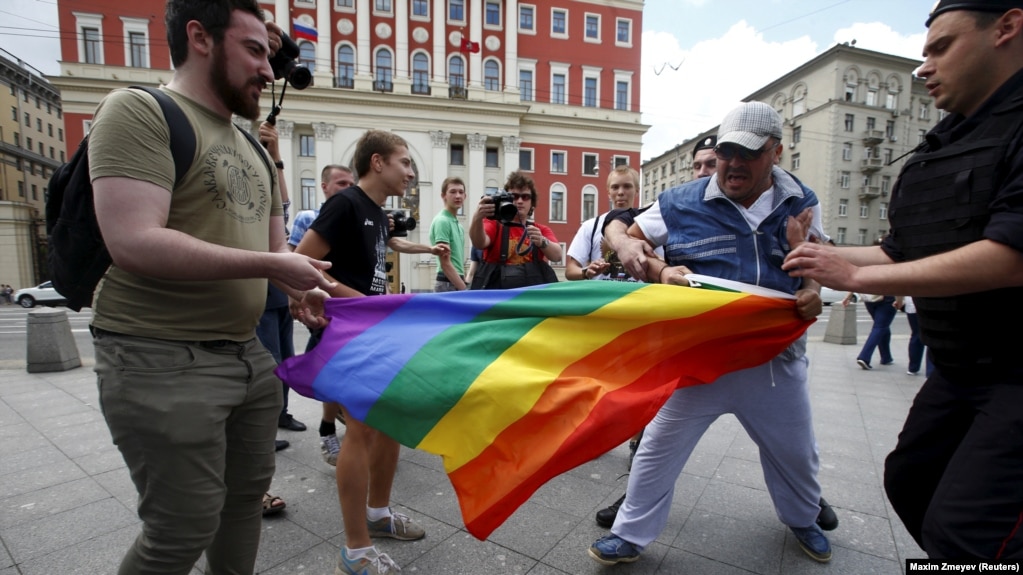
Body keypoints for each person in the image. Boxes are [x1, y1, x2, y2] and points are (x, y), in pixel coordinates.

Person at [86, 2, 334, 572]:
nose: (269, 72)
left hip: (248, 355)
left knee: (243, 506)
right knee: (181, 526)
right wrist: (274, 266)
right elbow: (134, 242)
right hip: (158, 354)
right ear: (200, 37)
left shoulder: (252, 146)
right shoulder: (140, 110)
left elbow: (274, 255)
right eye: (253, 50)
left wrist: (300, 289)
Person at [782, 0, 1023, 558]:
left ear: (1007, 28)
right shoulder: (948, 141)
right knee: (911, 484)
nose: (924, 68)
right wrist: (825, 253)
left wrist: (851, 276)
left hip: (1015, 372)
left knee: (966, 535)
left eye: (942, 47)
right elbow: (899, 250)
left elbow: (1010, 256)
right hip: (959, 368)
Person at [589, 102, 833, 566]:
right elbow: (621, 236)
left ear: (776, 152)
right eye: (725, 152)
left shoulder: (801, 199)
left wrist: (813, 290)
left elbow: (813, 263)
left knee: (796, 453)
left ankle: (803, 518)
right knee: (657, 449)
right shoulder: (681, 201)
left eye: (747, 153)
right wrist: (655, 266)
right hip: (703, 360)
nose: (733, 164)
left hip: (773, 360)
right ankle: (629, 534)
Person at [291, 129, 447, 575]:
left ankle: (378, 516)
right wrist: (359, 302)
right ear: (377, 162)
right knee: (360, 431)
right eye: (404, 163)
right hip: (348, 333)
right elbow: (302, 264)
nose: (411, 172)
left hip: (374, 332)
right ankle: (355, 550)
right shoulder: (345, 204)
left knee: (389, 423)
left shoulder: (379, 215)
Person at [289, 164, 356, 466]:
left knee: (343, 374)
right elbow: (291, 258)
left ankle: (338, 425)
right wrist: (296, 297)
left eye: (351, 184)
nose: (347, 189)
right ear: (324, 186)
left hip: (349, 309)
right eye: (341, 183)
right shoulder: (308, 219)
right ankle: (329, 429)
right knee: (331, 374)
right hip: (325, 310)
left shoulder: (355, 218)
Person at [255, 120, 306, 448]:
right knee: (270, 363)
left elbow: (282, 205)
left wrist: (277, 157)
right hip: (260, 298)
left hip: (280, 296)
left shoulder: (273, 214)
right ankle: (263, 430)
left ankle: (281, 414)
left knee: (286, 359)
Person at [469, 171, 562, 289]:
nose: (519, 201)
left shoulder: (540, 230)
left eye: (525, 197)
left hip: (529, 298)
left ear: (532, 202)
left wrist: (542, 241)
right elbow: (479, 242)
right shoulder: (493, 224)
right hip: (500, 299)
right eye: (514, 196)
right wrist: (477, 217)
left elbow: (557, 256)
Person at [430, 176, 468, 291]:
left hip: (456, 281)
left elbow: (457, 262)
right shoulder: (442, 221)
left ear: (465, 196)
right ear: (443, 196)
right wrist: (464, 289)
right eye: (453, 192)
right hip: (447, 283)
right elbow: (445, 263)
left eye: (461, 192)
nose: (458, 196)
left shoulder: (459, 225)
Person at [846, 289, 896, 370]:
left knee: (883, 326)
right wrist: (900, 299)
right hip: (887, 297)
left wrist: (848, 297)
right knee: (880, 327)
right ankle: (864, 357)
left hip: (869, 298)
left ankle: (886, 357)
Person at [895, 296, 924, 375]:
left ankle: (913, 367)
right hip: (932, 301)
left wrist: (899, 301)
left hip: (912, 304)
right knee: (932, 335)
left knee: (916, 334)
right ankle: (931, 369)